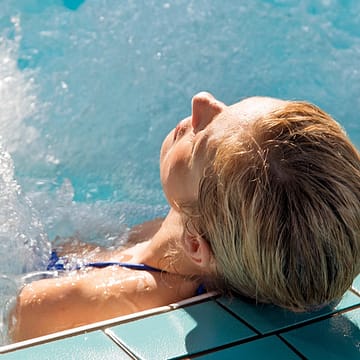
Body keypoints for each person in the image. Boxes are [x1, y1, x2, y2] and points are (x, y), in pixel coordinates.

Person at [8, 92, 360, 342]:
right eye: (230, 107)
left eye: (199, 143)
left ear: (196, 245)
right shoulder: (225, 249)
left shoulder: (59, 305)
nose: (202, 101)